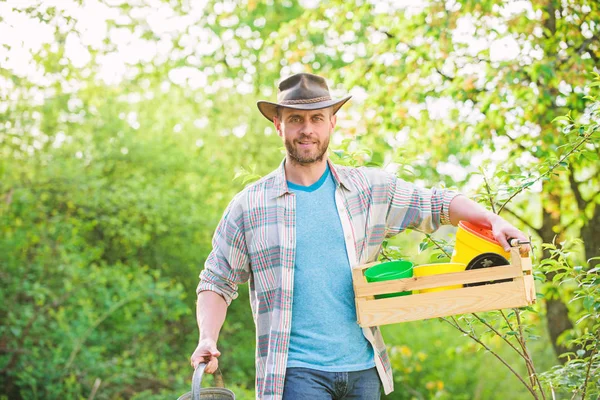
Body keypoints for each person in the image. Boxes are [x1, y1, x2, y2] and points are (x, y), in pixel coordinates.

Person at [190, 73, 530, 400]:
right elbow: (216, 281)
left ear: (332, 122)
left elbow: (435, 203)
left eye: (317, 119)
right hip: (294, 373)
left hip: (364, 369)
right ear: (278, 125)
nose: (307, 130)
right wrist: (207, 338)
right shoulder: (250, 205)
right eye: (295, 119)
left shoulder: (368, 189)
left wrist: (491, 219)